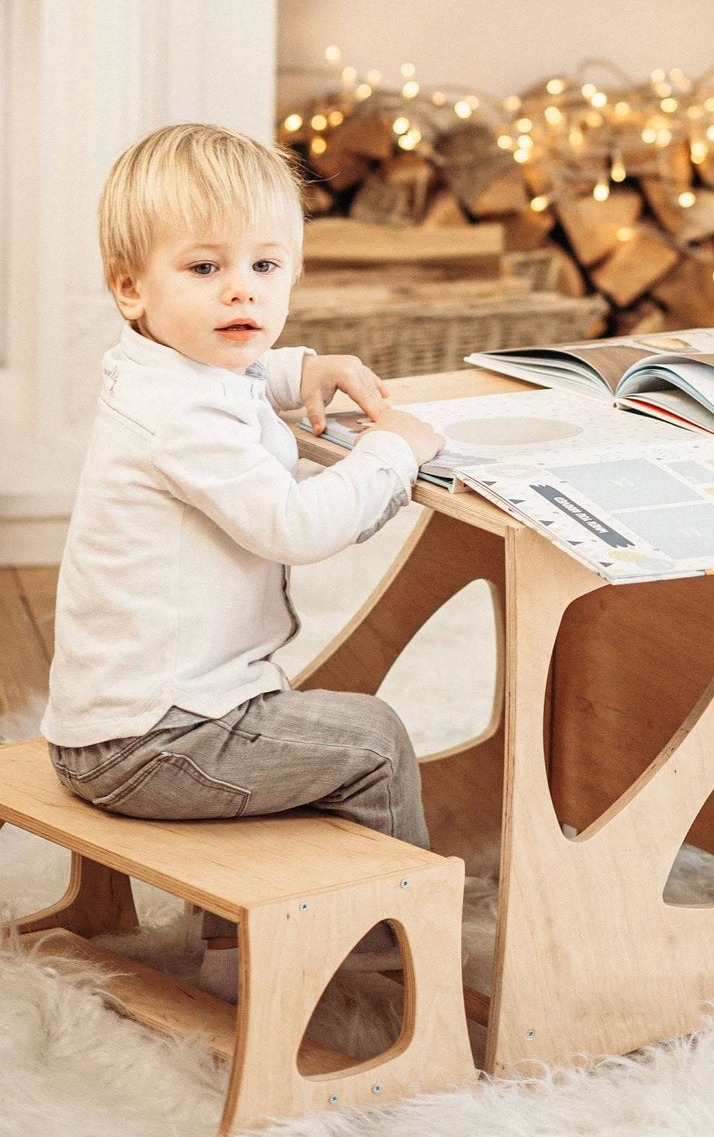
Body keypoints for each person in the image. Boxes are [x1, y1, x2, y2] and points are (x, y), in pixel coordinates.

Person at [41, 122, 444, 998]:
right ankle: (382, 944)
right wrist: (393, 452)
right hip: (148, 740)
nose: (242, 295)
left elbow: (232, 372)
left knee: (292, 726)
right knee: (369, 740)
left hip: (123, 718)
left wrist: (305, 370)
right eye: (205, 269)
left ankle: (232, 953)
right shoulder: (183, 420)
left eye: (265, 269)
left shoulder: (155, 370)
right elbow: (295, 526)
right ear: (129, 288)